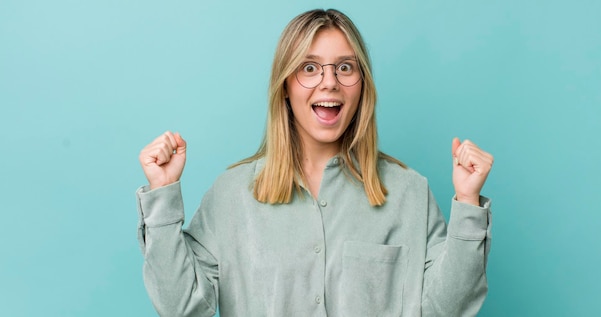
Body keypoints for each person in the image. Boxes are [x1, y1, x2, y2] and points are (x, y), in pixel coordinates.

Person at [136, 8, 494, 317]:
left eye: (345, 67)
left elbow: (447, 310)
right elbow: (180, 307)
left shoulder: (409, 192)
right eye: (309, 67)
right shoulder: (232, 195)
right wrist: (163, 195)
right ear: (286, 86)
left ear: (362, 86)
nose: (329, 83)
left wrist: (467, 202)